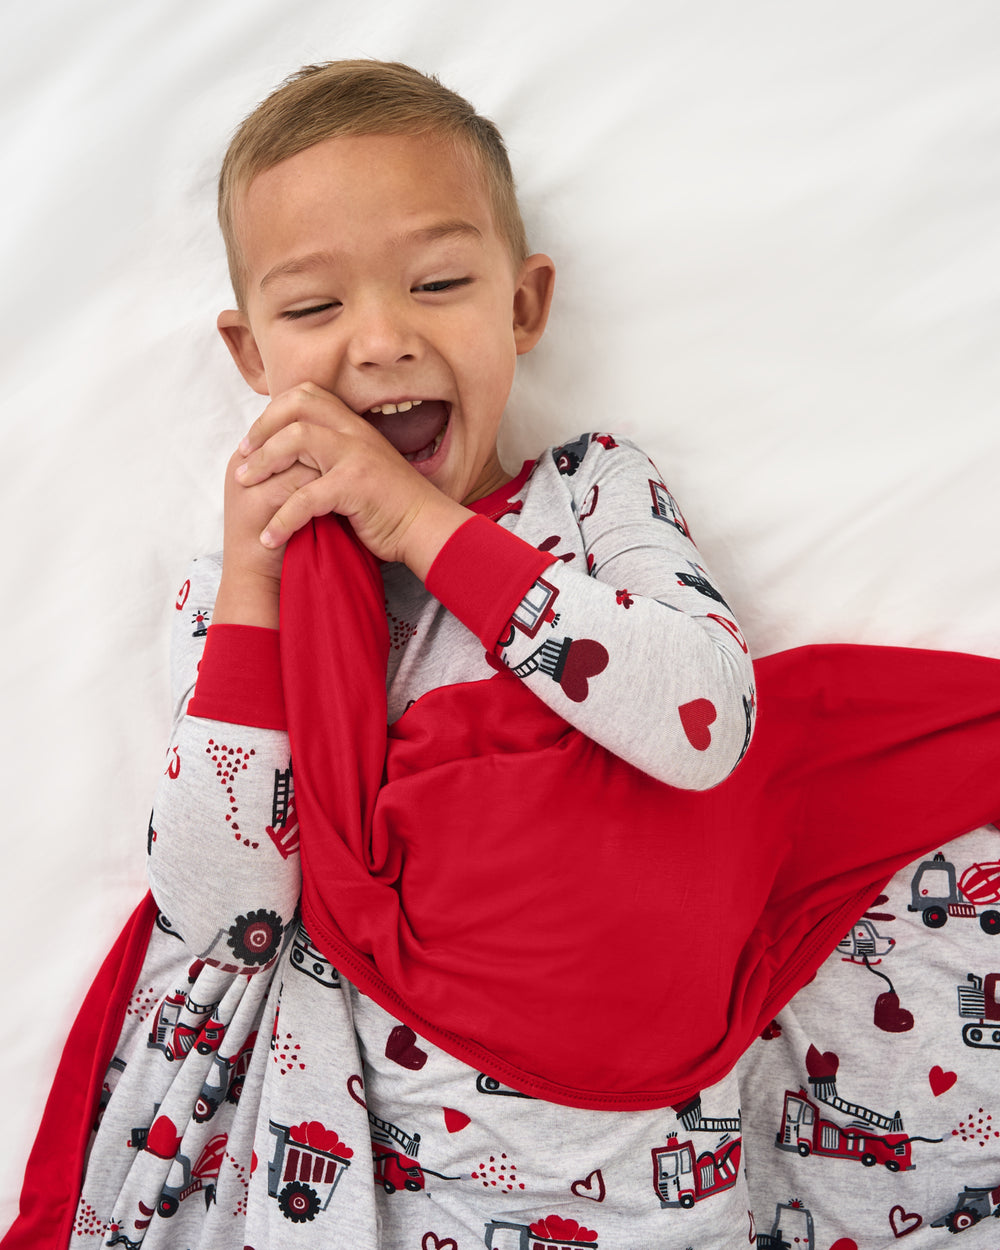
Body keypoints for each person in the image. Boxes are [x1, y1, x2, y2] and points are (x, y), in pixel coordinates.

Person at [8, 59, 1000, 1250]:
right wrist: (256, 580)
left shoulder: (592, 498)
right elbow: (228, 917)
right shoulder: (240, 598)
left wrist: (422, 526)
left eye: (437, 282)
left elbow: (701, 723)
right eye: (315, 309)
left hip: (655, 1148)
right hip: (418, 1171)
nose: (380, 339)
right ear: (251, 355)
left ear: (523, 308)